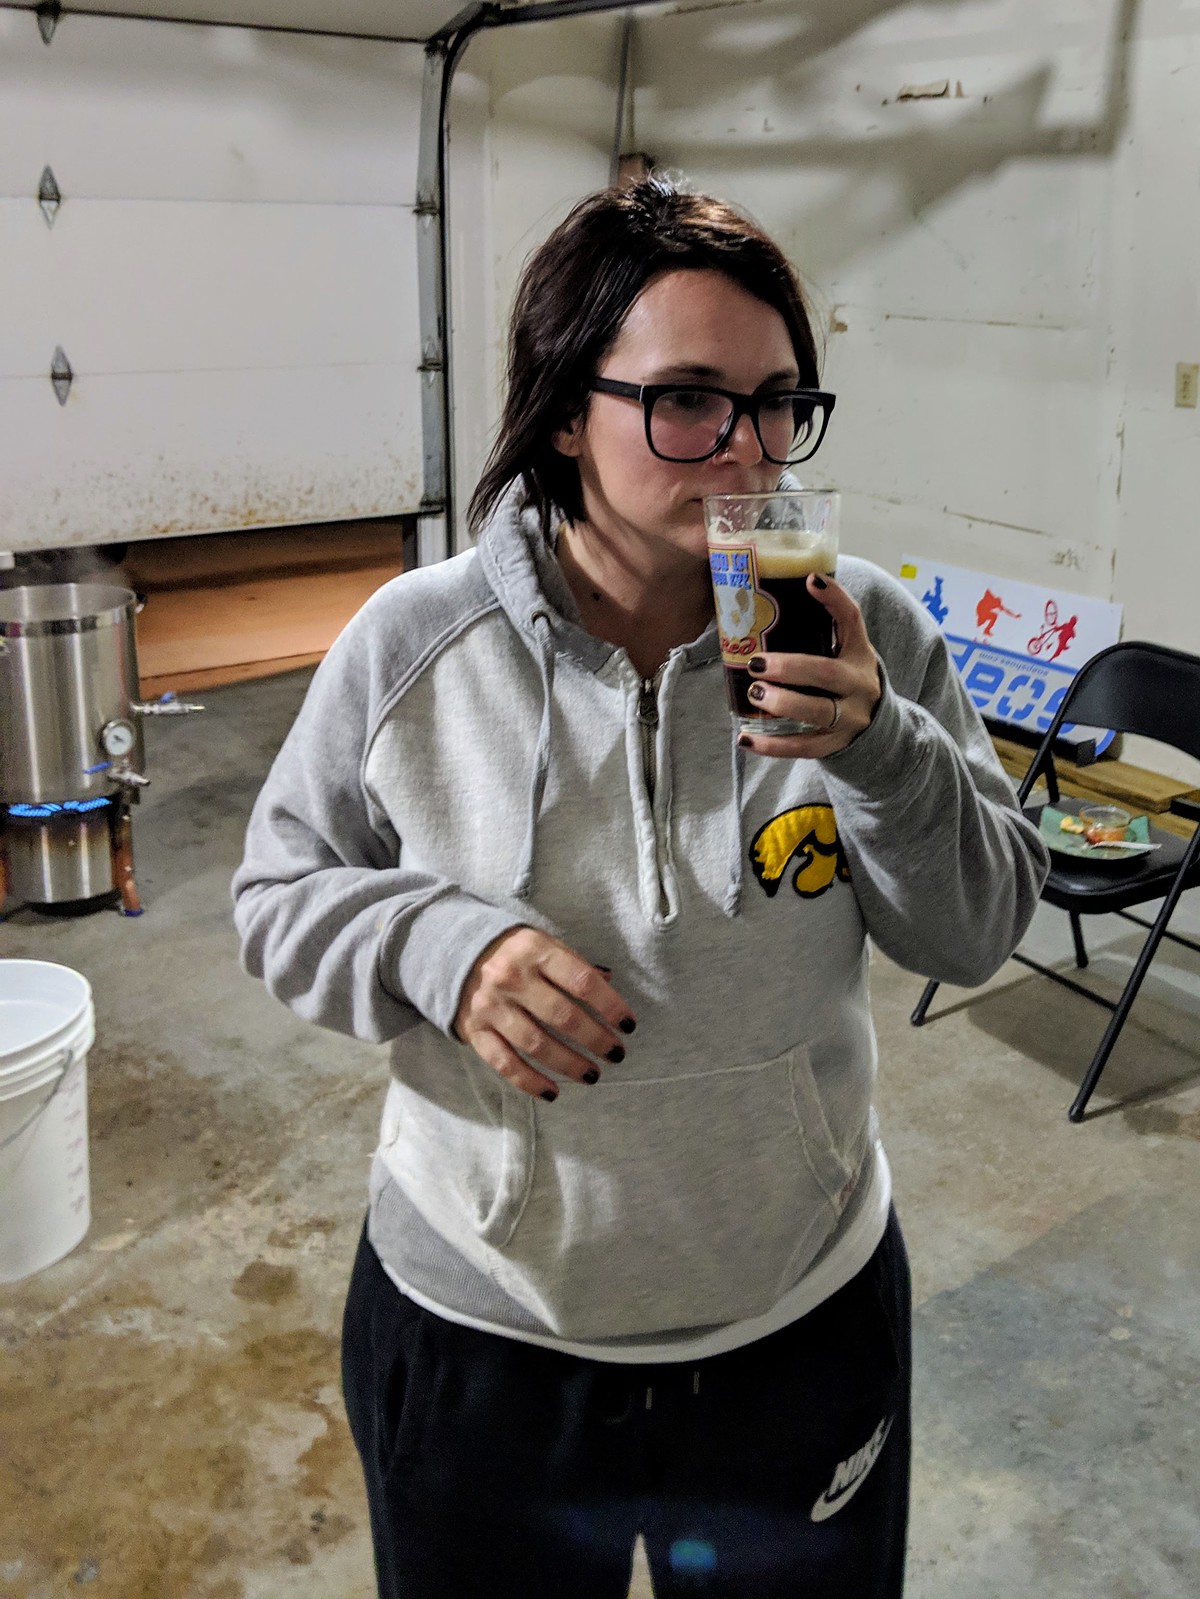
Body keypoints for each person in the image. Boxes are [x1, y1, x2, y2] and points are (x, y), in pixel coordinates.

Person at [232, 176, 1048, 1599]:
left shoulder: (864, 631)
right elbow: (275, 896)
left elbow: (976, 931)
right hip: (486, 1325)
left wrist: (880, 747)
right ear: (565, 411)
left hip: (796, 1316)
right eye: (687, 402)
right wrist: (436, 946)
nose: (747, 452)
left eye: (778, 403)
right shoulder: (416, 646)